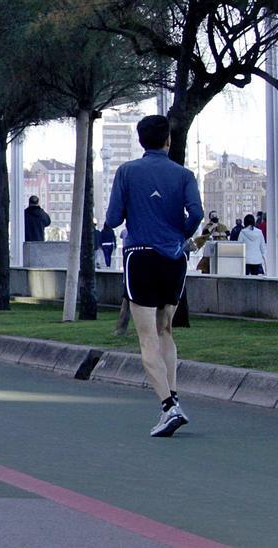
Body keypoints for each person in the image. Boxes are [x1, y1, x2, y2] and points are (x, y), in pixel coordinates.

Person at [104, 114, 202, 438]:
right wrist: (179, 234)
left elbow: (113, 218)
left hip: (140, 257)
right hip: (174, 258)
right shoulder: (184, 174)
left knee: (146, 336)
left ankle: (167, 407)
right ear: (168, 141)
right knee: (165, 329)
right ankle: (173, 397)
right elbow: (197, 214)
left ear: (140, 140)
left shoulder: (126, 172)